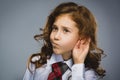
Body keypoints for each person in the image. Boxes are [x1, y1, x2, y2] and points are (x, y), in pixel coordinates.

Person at [23, 2, 106, 80]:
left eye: (66, 30)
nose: (56, 36)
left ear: (82, 38)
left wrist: (78, 65)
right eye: (55, 28)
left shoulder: (88, 74)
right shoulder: (37, 62)